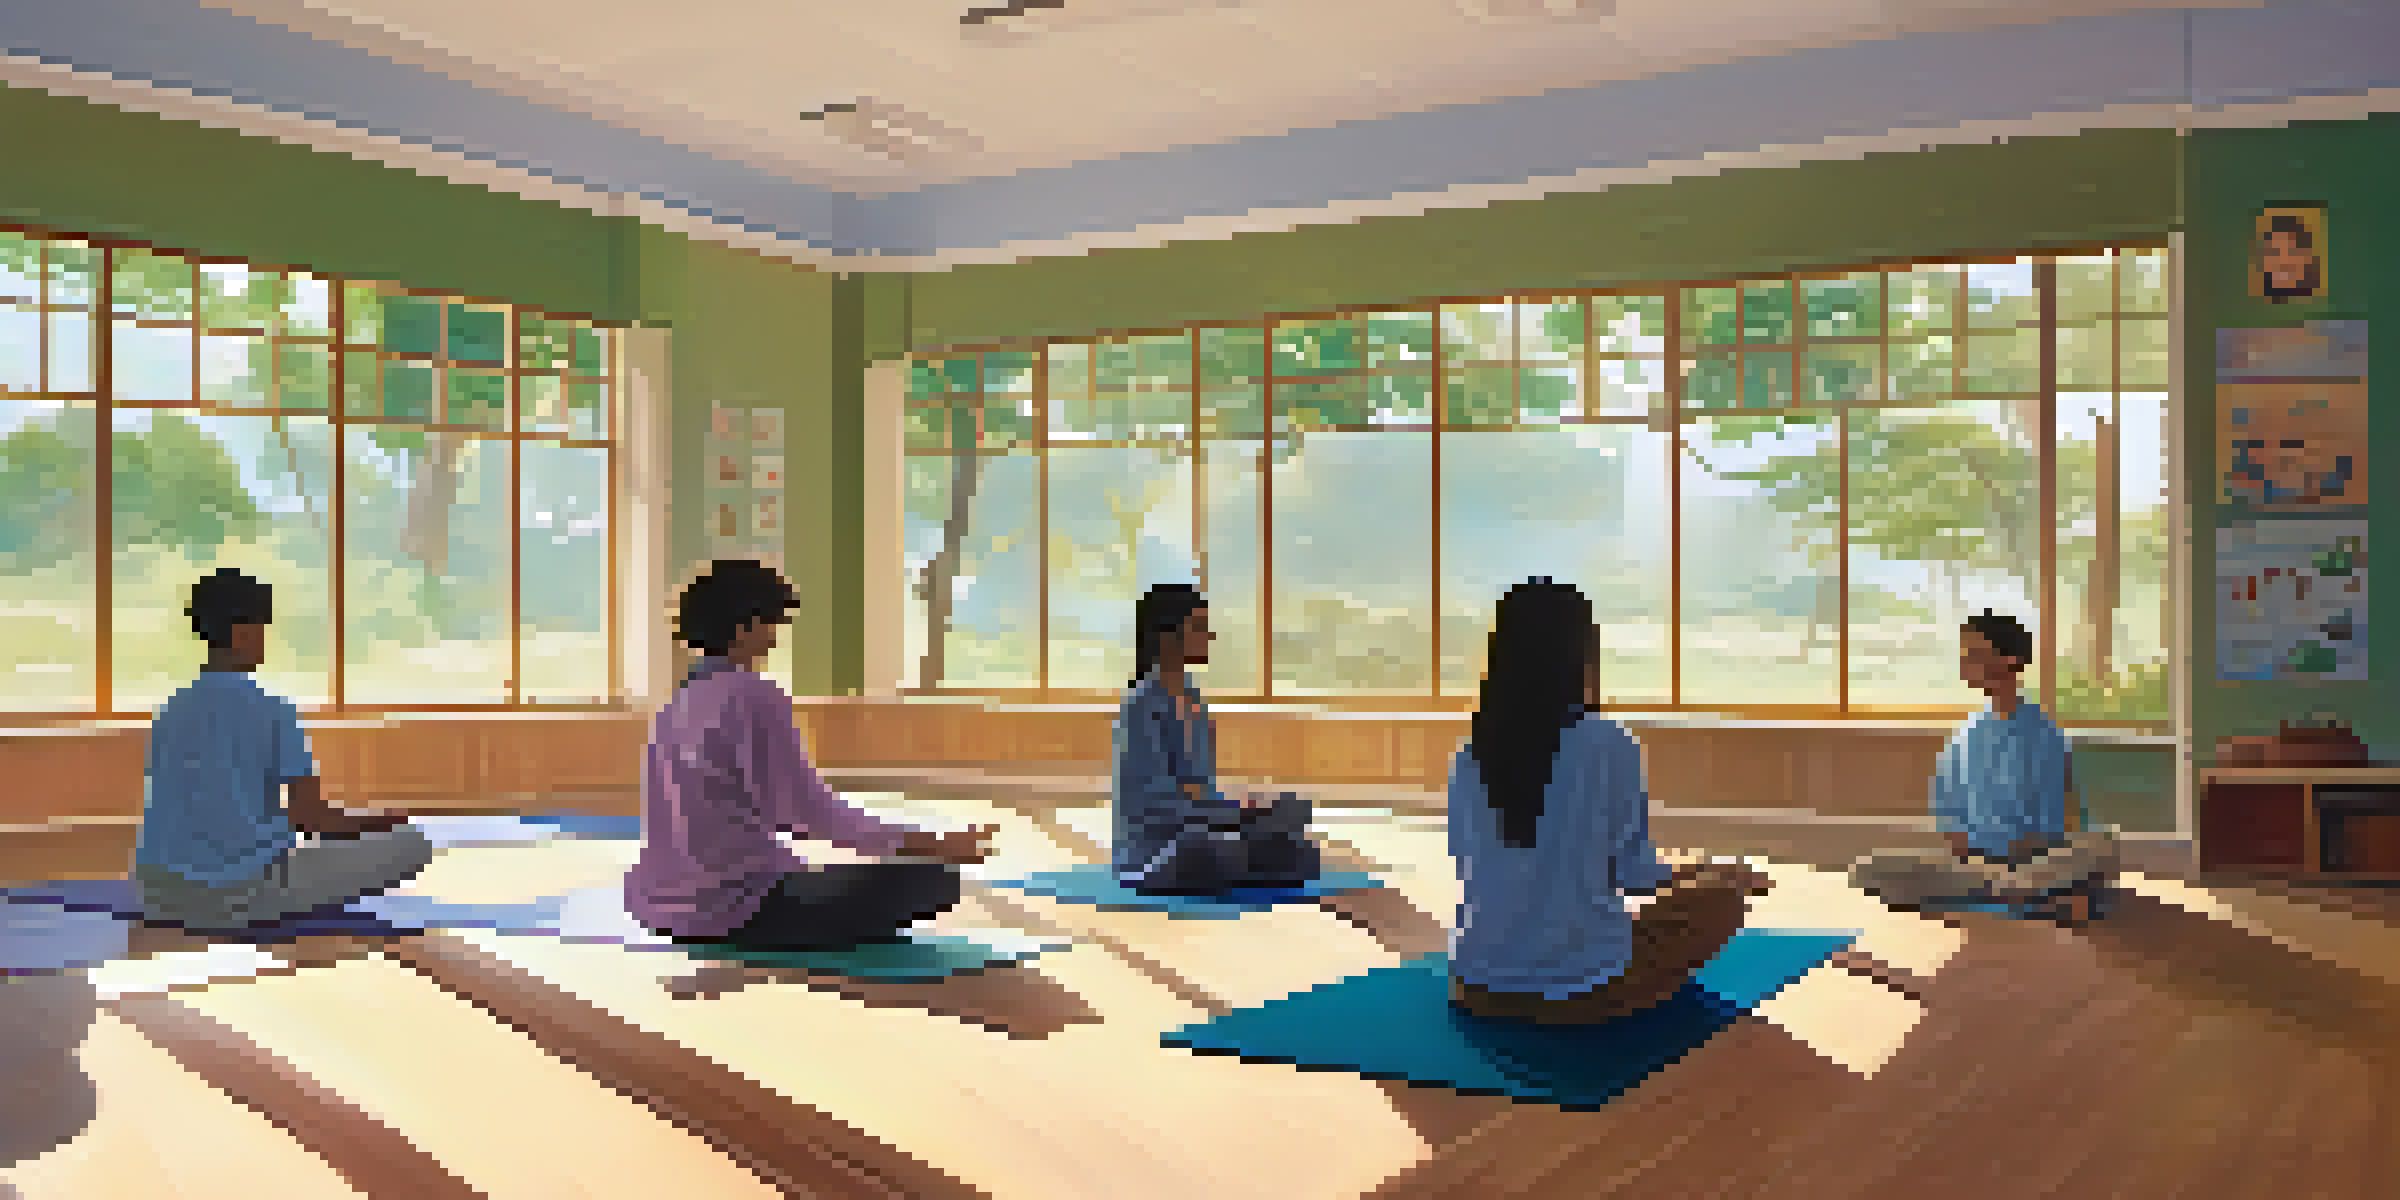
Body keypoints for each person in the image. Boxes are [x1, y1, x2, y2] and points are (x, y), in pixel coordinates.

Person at [1449, 579, 1773, 1026]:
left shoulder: (1469, 755)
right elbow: (1635, 876)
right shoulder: (1608, 742)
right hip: (1580, 991)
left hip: (1476, 985)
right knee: (1724, 902)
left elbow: (1475, 867)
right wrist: (1707, 873)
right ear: (1579, 657)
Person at [625, 560, 995, 949]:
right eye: (772, 623)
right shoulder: (754, 695)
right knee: (933, 879)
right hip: (735, 907)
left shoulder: (679, 699)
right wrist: (932, 844)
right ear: (745, 625)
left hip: (659, 904)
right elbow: (808, 813)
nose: (774, 637)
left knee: (840, 878)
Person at [133, 570, 432, 933]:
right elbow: (315, 821)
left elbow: (198, 803)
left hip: (155, 894)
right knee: (413, 844)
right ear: (242, 632)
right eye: (262, 629)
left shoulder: (171, 708)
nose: (264, 641)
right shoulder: (272, 707)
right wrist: (379, 823)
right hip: (239, 895)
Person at [1848, 611, 2119, 923]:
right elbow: (1949, 811)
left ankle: (2014, 897)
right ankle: (2031, 902)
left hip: (2030, 863)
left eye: (1975, 654)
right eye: (1964, 654)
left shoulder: (2043, 733)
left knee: (2098, 846)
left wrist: (2013, 858)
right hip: (1981, 870)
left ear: (2009, 660)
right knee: (1869, 870)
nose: (1965, 664)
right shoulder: (1966, 732)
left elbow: (2054, 826)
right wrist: (1972, 858)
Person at [1111, 583, 1320, 894]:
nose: (1209, 637)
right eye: (1198, 627)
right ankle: (1239, 860)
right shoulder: (1141, 706)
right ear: (1167, 636)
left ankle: (1242, 858)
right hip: (1156, 849)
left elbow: (1200, 789)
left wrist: (1243, 809)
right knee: (1209, 848)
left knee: (1297, 825)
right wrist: (1229, 813)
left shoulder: (1195, 702)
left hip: (1205, 825)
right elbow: (1151, 804)